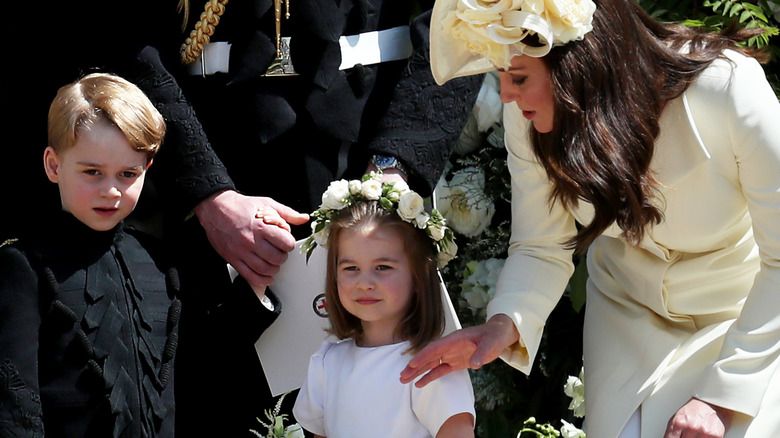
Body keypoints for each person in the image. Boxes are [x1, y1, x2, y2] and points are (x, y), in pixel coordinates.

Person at [399, 0, 780, 437]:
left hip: (747, 318)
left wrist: (721, 396)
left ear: (580, 67)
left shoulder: (727, 86)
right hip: (627, 319)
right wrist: (503, 324)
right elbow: (541, 245)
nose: (505, 94)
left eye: (519, 77)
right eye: (501, 76)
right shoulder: (528, 119)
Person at [0, 73, 180, 437]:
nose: (111, 191)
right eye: (93, 172)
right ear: (54, 165)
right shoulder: (24, 266)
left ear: (146, 170)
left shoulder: (160, 263)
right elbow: (15, 403)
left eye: (127, 174)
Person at [292, 172, 475, 437]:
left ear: (418, 276)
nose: (364, 282)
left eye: (382, 267)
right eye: (351, 268)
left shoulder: (434, 364)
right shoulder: (326, 363)